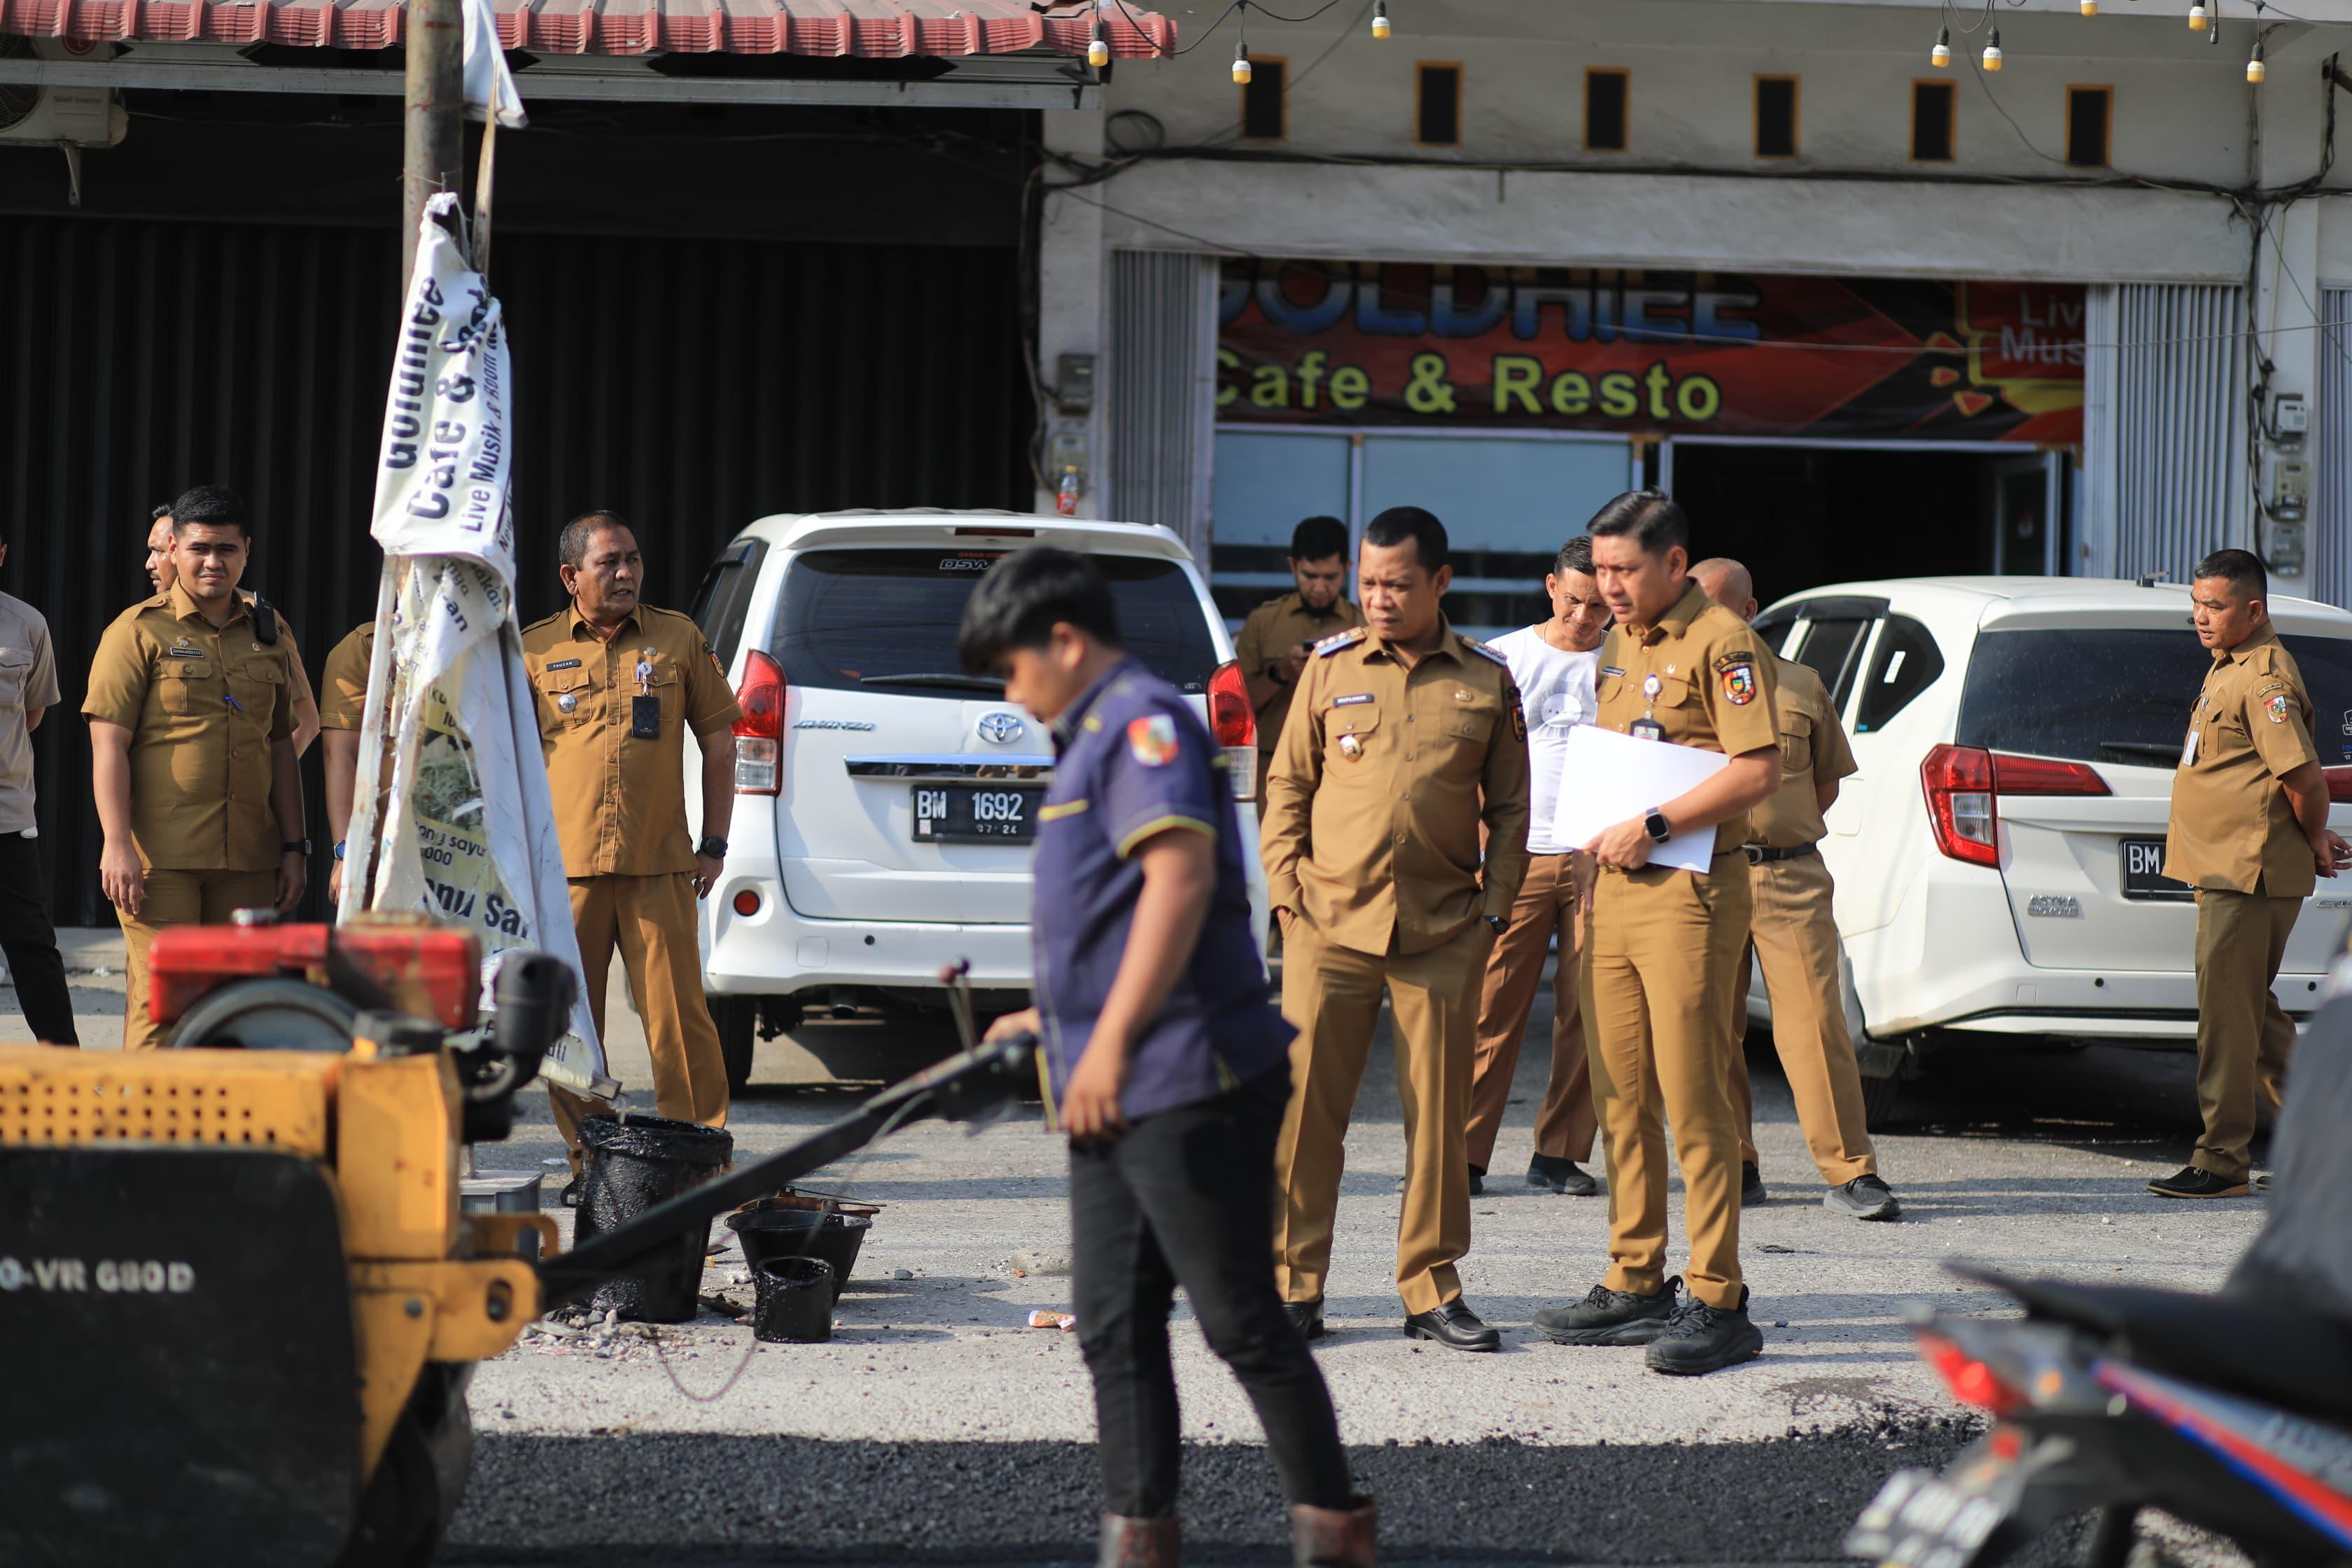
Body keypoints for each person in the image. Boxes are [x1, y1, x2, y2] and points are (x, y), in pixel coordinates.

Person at [966, 547, 1373, 1568]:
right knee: (1110, 1320)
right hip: (1110, 1076)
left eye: (1014, 671)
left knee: (1238, 1319)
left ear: (1065, 640)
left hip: (1190, 1076)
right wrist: (1048, 1023)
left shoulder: (1144, 721)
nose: (1012, 698)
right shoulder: (1092, 736)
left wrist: (1101, 1043)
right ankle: (1139, 1540)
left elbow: (1179, 881)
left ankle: (1335, 1533)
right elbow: (1103, 917)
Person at [1262, 505, 1530, 1353]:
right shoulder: (1328, 667)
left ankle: (1432, 1288)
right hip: (1328, 923)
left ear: (1439, 583)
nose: (1376, 598)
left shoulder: (1488, 679)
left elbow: (1516, 809)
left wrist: (1494, 912)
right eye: (1368, 582)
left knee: (1439, 1118)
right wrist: (1284, 899)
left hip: (1444, 928)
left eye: (1396, 584)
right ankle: (1295, 1287)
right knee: (1307, 1113)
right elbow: (1287, 787)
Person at [1530, 491, 1778, 1377]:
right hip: (1618, 890)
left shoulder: (1724, 643)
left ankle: (1718, 1295)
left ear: (1676, 563)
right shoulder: (1621, 640)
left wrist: (1658, 824)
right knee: (1621, 1090)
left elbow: (1758, 769)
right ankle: (1637, 1275)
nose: (1607, 588)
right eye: (1599, 570)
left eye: (1624, 570)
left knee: (1694, 1093)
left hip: (1689, 891)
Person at [522, 512, 739, 1196]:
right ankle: (595, 1159)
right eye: (609, 562)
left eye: (634, 560)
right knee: (566, 1027)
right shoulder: (532, 650)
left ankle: (698, 1157)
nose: (626, 573)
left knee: (681, 1024)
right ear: (571, 576)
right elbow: (508, 764)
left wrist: (715, 843)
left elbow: (722, 742)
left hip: (660, 866)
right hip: (567, 876)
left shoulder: (678, 638)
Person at [1689, 558, 1900, 1223]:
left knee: (1815, 1022)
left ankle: (1850, 1170)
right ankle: (1735, 1162)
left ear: (1750, 612)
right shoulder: (1676, 690)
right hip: (1701, 873)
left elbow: (1827, 783)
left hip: (1788, 874)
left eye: (1714, 609)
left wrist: (1783, 830)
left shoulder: (1800, 685)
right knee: (1711, 1027)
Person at [2153, 548, 2350, 1199]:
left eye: (2215, 606)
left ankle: (2222, 1161)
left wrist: (2316, 836)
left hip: (2248, 875)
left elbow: (2303, 776)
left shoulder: (2263, 678)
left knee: (2226, 1020)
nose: (2200, 617)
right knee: (2255, 1018)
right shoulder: (2229, 666)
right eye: (2196, 603)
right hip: (2229, 869)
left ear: (2254, 610)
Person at [85, 485, 310, 1051]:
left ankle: (220, 1138)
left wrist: (294, 849)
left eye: (228, 550)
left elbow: (282, 747)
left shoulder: (269, 633)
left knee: (238, 1002)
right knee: (163, 1001)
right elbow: (108, 745)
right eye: (201, 549)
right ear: (176, 549)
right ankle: (145, 1135)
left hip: (249, 860)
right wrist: (117, 844)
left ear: (247, 552)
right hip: (161, 861)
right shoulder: (137, 631)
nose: (214, 562)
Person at [1463, 534, 1606, 1198]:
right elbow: (1468, 762)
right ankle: (1462, 1154)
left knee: (1588, 1011)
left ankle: (1559, 1153)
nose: (1585, 618)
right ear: (1553, 588)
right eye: (1574, 602)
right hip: (1515, 857)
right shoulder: (1504, 658)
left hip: (1597, 862)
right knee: (1492, 1006)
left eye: (1599, 607)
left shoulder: (1629, 662)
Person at [144, 503, 321, 758]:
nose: (150, 564)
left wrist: (266, 785)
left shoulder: (258, 619)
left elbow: (305, 721)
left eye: (157, 552)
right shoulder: (141, 625)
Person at [0, 526, 79, 1046]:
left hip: (6, 819)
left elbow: (30, 716)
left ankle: (69, 1070)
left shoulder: (26, 624)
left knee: (31, 946)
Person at [1234, 517, 1364, 804]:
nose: (1319, 588)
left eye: (1330, 578)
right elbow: (1236, 706)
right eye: (1309, 576)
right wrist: (1279, 673)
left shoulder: (1364, 626)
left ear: (1347, 569)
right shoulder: (1264, 622)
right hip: (1271, 770)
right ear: (1293, 567)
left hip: (1341, 770)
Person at [316, 620, 378, 903]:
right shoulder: (367, 645)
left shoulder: (487, 650)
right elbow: (341, 753)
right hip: (384, 858)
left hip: (468, 854)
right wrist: (346, 852)